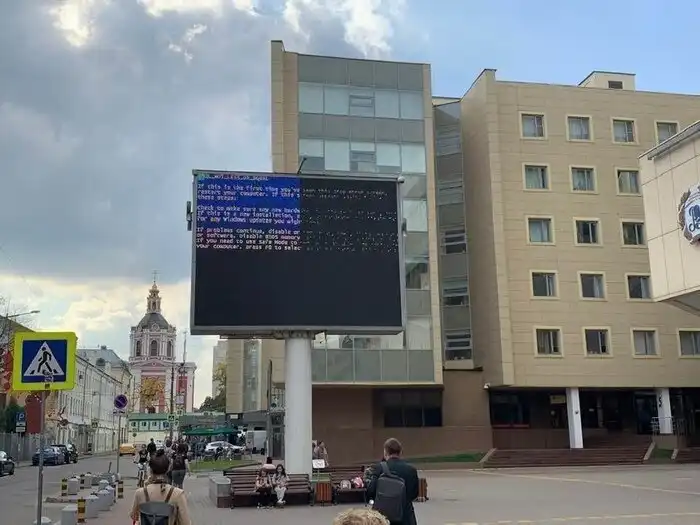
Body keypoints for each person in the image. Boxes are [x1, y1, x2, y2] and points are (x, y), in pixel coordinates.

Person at [130, 449, 192, 525]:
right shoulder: (178, 494)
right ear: (168, 469)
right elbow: (185, 522)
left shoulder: (140, 493)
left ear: (150, 470)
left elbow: (134, 516)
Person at [366, 438, 419, 525]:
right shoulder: (411, 470)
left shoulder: (379, 468)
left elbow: (370, 491)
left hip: (383, 518)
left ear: (385, 452)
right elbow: (414, 494)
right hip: (405, 517)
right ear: (400, 452)